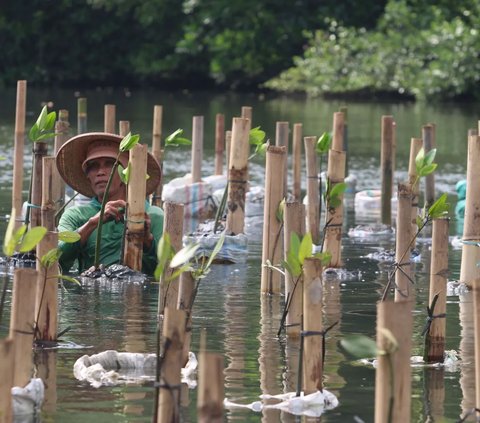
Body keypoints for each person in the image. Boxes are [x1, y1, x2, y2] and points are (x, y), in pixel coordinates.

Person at [55, 132, 164, 275]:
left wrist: (147, 240)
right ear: (87, 175)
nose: (100, 172)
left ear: (126, 172)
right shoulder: (75, 216)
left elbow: (169, 271)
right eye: (93, 166)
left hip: (139, 294)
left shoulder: (154, 216)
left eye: (110, 165)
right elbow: (57, 262)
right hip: (91, 293)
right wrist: (93, 223)